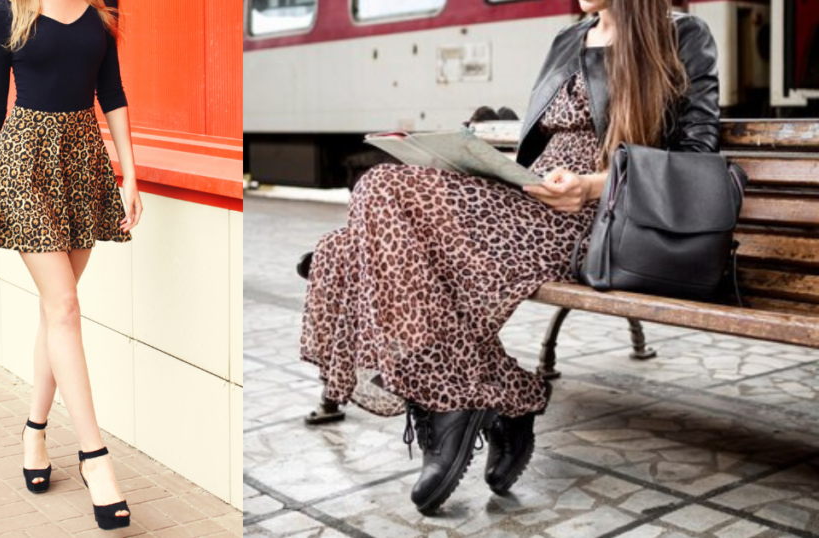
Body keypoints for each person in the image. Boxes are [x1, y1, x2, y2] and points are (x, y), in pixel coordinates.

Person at [298, 0, 720, 515]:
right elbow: (534, 148)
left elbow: (698, 163)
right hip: (527, 201)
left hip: (598, 218)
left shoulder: (680, 36)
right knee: (350, 239)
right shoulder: (569, 39)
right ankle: (501, 397)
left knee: (380, 189)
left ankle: (456, 405)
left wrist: (592, 186)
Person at [0, 0, 142, 530]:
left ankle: (34, 430)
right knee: (64, 306)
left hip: (82, 161)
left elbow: (111, 94)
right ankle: (95, 459)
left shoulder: (101, 15)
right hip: (24, 161)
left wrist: (130, 174)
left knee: (55, 311)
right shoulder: (6, 11)